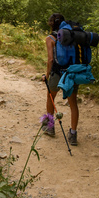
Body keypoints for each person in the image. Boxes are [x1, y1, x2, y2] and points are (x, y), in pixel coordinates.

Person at [41, 13, 79, 146]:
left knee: (51, 97)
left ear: (51, 24)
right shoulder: (73, 35)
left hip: (58, 73)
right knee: (73, 103)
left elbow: (51, 59)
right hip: (73, 72)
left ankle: (50, 127)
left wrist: (47, 74)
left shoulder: (50, 38)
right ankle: (73, 134)